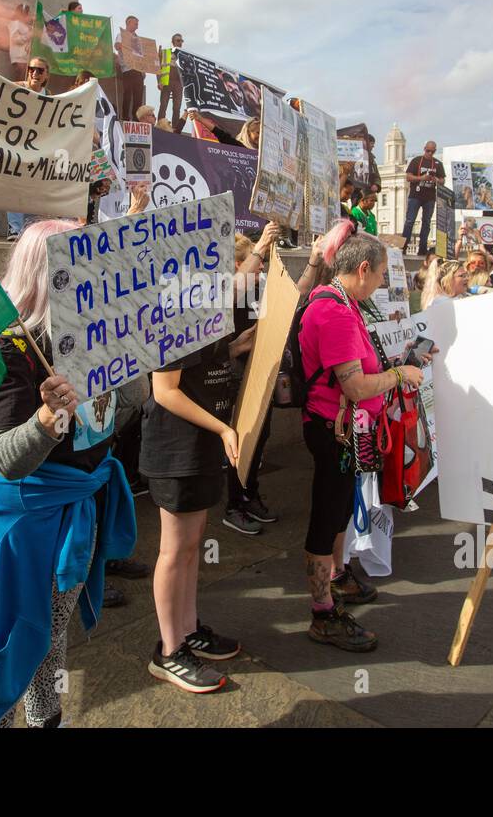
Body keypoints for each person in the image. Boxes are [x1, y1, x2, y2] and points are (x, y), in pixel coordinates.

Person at [0, 220, 139, 726]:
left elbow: (118, 417)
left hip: (77, 506)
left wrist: (134, 358)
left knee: (51, 638)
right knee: (7, 642)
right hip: (19, 525)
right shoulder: (1, 342)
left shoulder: (92, 332)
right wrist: (46, 419)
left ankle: (45, 720)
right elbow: (5, 458)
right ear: (47, 271)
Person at [298, 220, 424, 652]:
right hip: (333, 430)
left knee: (336, 516)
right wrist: (399, 374)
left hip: (347, 431)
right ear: (365, 268)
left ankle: (335, 581)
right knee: (326, 518)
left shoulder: (343, 302)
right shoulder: (333, 310)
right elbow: (355, 386)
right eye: (383, 275)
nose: (383, 283)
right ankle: (322, 614)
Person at [140, 281, 245, 693]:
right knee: (174, 549)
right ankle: (169, 651)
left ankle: (187, 629)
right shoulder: (172, 312)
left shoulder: (202, 308)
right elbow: (164, 391)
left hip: (200, 444)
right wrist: (223, 428)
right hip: (176, 448)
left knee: (191, 543)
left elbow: (201, 367)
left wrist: (238, 346)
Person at [222, 223, 284, 536]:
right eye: (256, 266)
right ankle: (234, 505)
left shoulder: (257, 290)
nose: (260, 273)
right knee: (242, 441)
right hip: (235, 380)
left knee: (260, 437)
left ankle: (249, 495)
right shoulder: (227, 291)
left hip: (260, 374)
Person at [5, 57, 50, 240]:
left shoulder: (52, 98)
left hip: (39, 152)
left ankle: (29, 231)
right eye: (31, 69)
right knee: (15, 188)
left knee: (33, 192)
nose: (35, 73)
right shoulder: (17, 90)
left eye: (40, 70)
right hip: (17, 148)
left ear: (46, 75)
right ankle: (14, 228)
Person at [402, 141, 446, 255]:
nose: (430, 153)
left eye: (433, 151)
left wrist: (436, 180)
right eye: (428, 151)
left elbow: (443, 180)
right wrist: (421, 178)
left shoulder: (438, 163)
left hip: (430, 197)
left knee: (426, 222)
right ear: (424, 149)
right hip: (415, 195)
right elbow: (408, 177)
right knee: (410, 221)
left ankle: (422, 249)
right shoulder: (416, 160)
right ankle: (403, 247)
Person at [113, 15, 146, 119]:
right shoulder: (121, 35)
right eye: (135, 23)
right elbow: (117, 46)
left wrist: (143, 69)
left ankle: (136, 119)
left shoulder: (138, 39)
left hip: (138, 70)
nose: (137, 26)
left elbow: (142, 56)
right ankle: (125, 118)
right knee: (127, 94)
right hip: (127, 69)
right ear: (128, 23)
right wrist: (127, 45)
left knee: (138, 96)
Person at [157, 32, 184, 123]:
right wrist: (159, 81)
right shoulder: (166, 53)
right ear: (173, 42)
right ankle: (160, 125)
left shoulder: (184, 55)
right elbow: (159, 68)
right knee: (163, 105)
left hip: (179, 83)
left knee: (177, 108)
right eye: (178, 40)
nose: (180, 42)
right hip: (166, 81)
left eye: (181, 41)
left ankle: (175, 128)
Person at [7, 1, 31, 81]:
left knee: (23, 80)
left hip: (24, 57)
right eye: (27, 12)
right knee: (19, 80)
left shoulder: (24, 25)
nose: (28, 15)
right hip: (19, 57)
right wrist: (30, 35)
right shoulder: (15, 23)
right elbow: (15, 40)